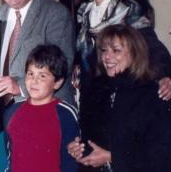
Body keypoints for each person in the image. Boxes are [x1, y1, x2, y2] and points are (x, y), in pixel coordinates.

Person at [68, 24, 171, 171]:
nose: (107, 57)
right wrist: (79, 148)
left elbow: (162, 156)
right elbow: (91, 141)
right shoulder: (95, 90)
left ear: (135, 53)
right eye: (104, 50)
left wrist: (111, 157)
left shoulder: (153, 94)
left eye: (116, 50)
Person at [75, 0, 171, 101]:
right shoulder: (83, 12)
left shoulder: (128, 10)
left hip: (124, 92)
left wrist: (165, 78)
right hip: (93, 93)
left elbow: (154, 49)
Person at [0, 0, 76, 113]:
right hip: (5, 111)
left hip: (46, 109)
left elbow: (62, 64)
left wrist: (20, 86)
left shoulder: (55, 13)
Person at [4, 44, 79, 172]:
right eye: (30, 74)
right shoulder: (12, 111)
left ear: (57, 82)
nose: (34, 80)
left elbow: (71, 161)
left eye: (42, 76)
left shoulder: (66, 114)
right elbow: (10, 155)